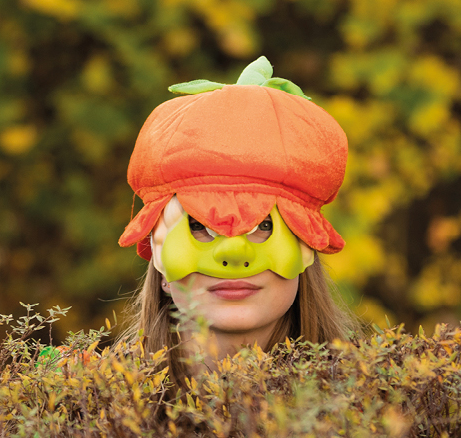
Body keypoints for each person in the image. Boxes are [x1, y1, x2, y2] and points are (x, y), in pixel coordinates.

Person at [118, 57, 360, 382]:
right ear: (157, 252)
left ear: (307, 247)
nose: (233, 253)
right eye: (199, 226)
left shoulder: (381, 403)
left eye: (264, 225)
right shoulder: (80, 405)